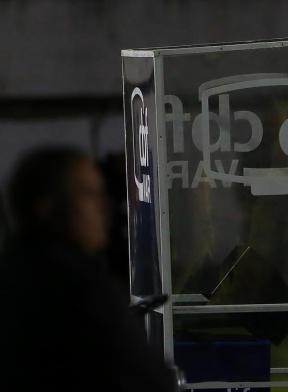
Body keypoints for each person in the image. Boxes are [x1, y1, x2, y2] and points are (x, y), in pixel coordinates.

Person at [0, 146, 176, 391]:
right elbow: (151, 380)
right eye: (89, 194)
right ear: (46, 207)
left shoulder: (14, 272)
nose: (105, 208)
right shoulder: (81, 289)